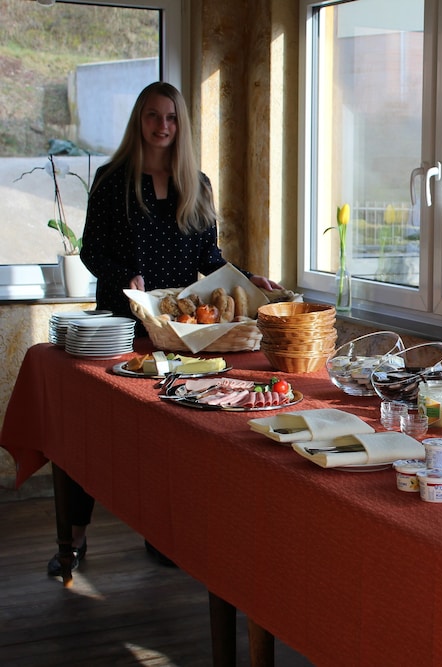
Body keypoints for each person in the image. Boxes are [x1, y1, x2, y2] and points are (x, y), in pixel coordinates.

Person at [47, 81, 282, 576]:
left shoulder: (196, 183)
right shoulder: (112, 180)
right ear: (140, 120)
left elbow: (209, 259)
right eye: (153, 116)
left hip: (180, 335)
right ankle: (74, 540)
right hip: (122, 331)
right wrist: (123, 277)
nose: (163, 126)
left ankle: (162, 536)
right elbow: (91, 251)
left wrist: (249, 279)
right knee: (91, 435)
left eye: (171, 117)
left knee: (165, 442)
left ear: (181, 125)